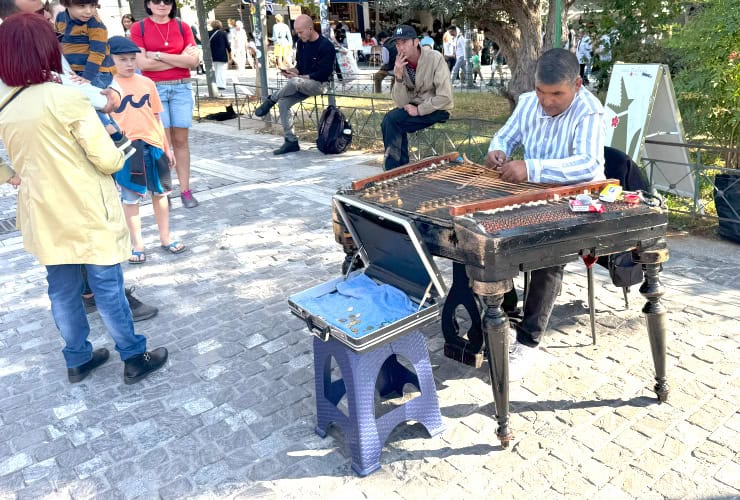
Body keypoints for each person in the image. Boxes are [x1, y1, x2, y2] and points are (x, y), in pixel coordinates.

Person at [0, 13, 168, 385]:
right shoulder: (68, 98)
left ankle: (77, 358)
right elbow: (107, 160)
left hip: (41, 210)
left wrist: (10, 175)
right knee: (107, 286)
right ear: (48, 49)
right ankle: (133, 355)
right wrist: (121, 150)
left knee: (61, 289)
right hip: (87, 208)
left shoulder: (4, 101)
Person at [484, 48, 605, 380]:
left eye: (556, 94)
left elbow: (589, 164)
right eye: (541, 91)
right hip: (531, 194)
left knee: (547, 251)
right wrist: (499, 150)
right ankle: (504, 311)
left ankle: (528, 341)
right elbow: (506, 135)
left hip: (577, 201)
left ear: (577, 85)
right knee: (484, 234)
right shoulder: (527, 102)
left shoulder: (589, 112)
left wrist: (531, 167)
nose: (546, 101)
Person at [108, 35, 186, 264]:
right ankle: (137, 244)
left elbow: (156, 117)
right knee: (130, 197)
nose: (129, 64)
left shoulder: (148, 83)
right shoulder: (107, 86)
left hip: (153, 146)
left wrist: (166, 147)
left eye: (133, 58)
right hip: (126, 149)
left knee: (160, 193)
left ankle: (165, 237)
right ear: (111, 59)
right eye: (123, 59)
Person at [130, 0, 200, 208]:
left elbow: (193, 62)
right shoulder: (139, 28)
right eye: (156, 1)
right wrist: (179, 58)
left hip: (181, 88)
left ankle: (186, 191)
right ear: (148, 4)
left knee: (181, 141)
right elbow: (143, 64)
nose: (162, 4)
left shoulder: (182, 26)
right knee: (162, 141)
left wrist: (159, 55)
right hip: (155, 89)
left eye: (167, 1)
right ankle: (164, 190)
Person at [55, 0, 133, 159]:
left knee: (86, 101)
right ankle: (117, 139)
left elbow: (97, 53)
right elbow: (59, 40)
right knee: (90, 105)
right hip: (78, 69)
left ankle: (116, 138)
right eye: (82, 6)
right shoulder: (61, 18)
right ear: (67, 4)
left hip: (98, 71)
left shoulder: (95, 25)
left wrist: (87, 79)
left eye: (92, 6)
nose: (88, 11)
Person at [254, 14, 335, 155]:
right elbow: (300, 66)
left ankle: (271, 99)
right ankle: (290, 141)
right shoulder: (301, 43)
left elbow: (323, 73)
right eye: (297, 32)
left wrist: (298, 76)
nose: (299, 35)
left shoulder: (325, 46)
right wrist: (290, 70)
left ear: (310, 29)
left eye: (301, 32)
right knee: (284, 103)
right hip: (301, 83)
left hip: (319, 84)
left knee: (294, 81)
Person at [381, 25, 453, 171]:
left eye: (405, 42)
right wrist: (399, 76)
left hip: (437, 108)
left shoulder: (434, 58)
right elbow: (401, 103)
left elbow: (445, 96)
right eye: (397, 43)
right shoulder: (400, 62)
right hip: (414, 106)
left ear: (415, 42)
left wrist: (419, 110)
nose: (401, 47)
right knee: (389, 121)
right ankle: (399, 168)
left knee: (392, 121)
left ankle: (395, 169)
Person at [208, 20, 231, 90]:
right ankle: (221, 85)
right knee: (221, 71)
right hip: (222, 55)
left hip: (212, 54)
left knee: (215, 70)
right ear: (220, 25)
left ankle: (215, 85)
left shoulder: (208, 33)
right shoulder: (223, 33)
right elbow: (227, 45)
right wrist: (230, 54)